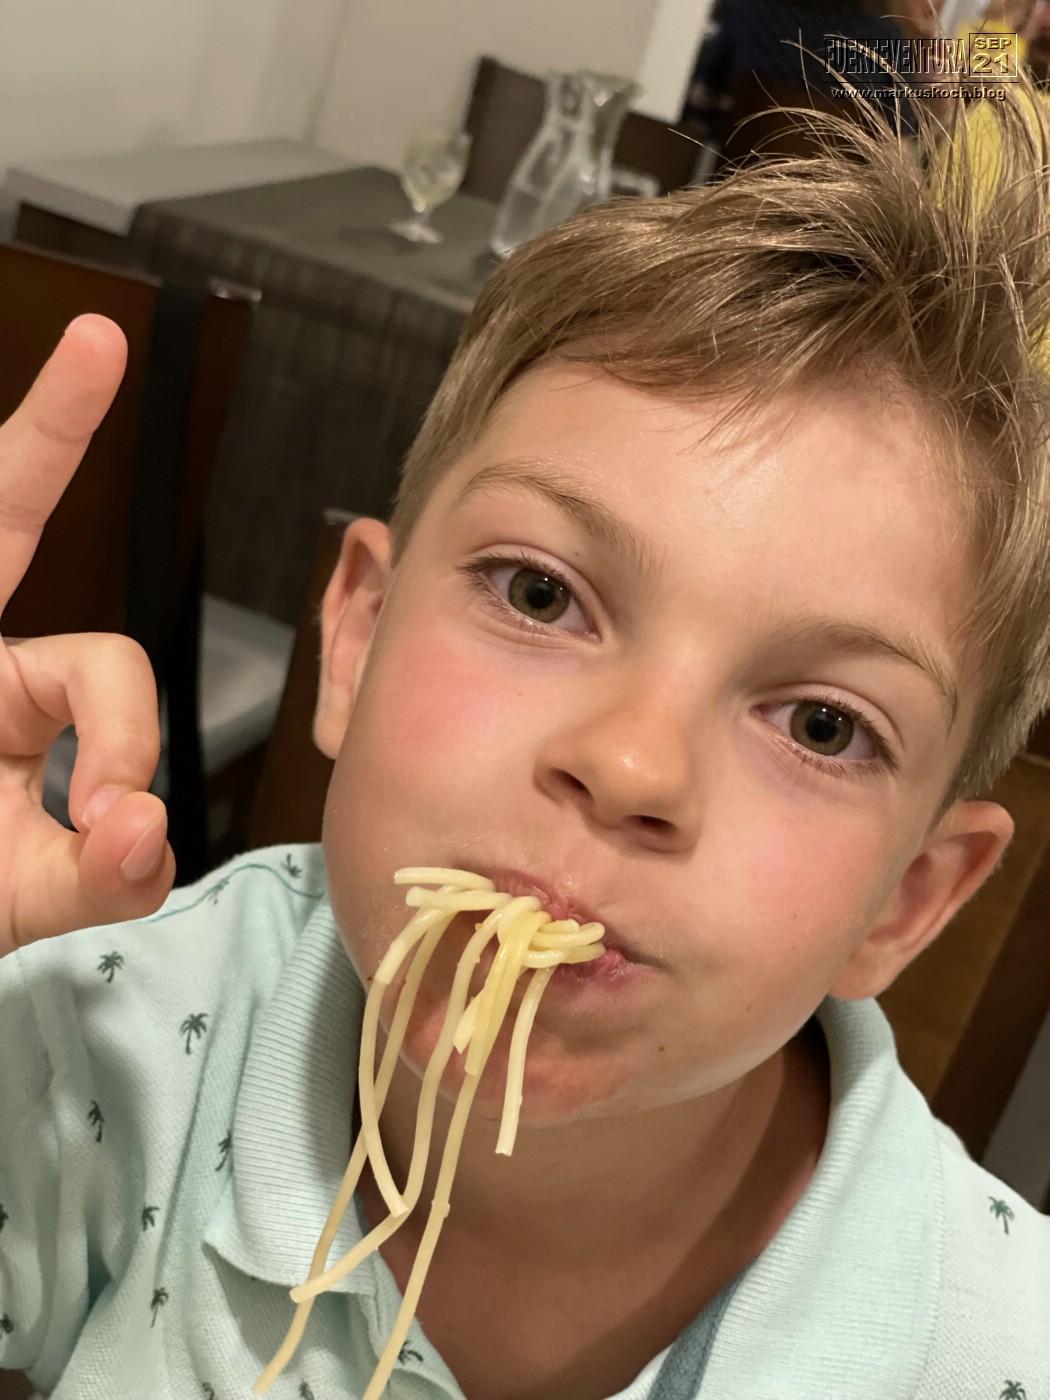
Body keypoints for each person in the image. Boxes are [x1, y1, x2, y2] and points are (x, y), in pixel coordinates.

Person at [0, 73, 1048, 1400]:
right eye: (540, 594)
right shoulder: (112, 1042)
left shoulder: (994, 1347)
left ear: (906, 901)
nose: (629, 766)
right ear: (357, 637)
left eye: (823, 725)